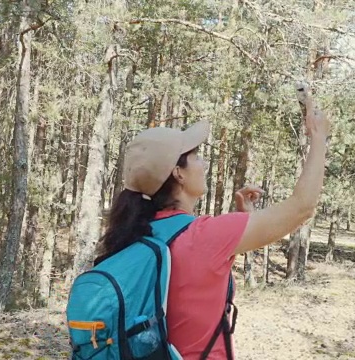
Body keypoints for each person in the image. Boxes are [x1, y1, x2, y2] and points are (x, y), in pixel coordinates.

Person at [93, 89, 330, 359]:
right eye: (195, 156)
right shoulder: (206, 237)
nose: (204, 163)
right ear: (178, 173)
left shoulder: (133, 235)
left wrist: (241, 223)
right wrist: (319, 136)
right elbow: (302, 207)